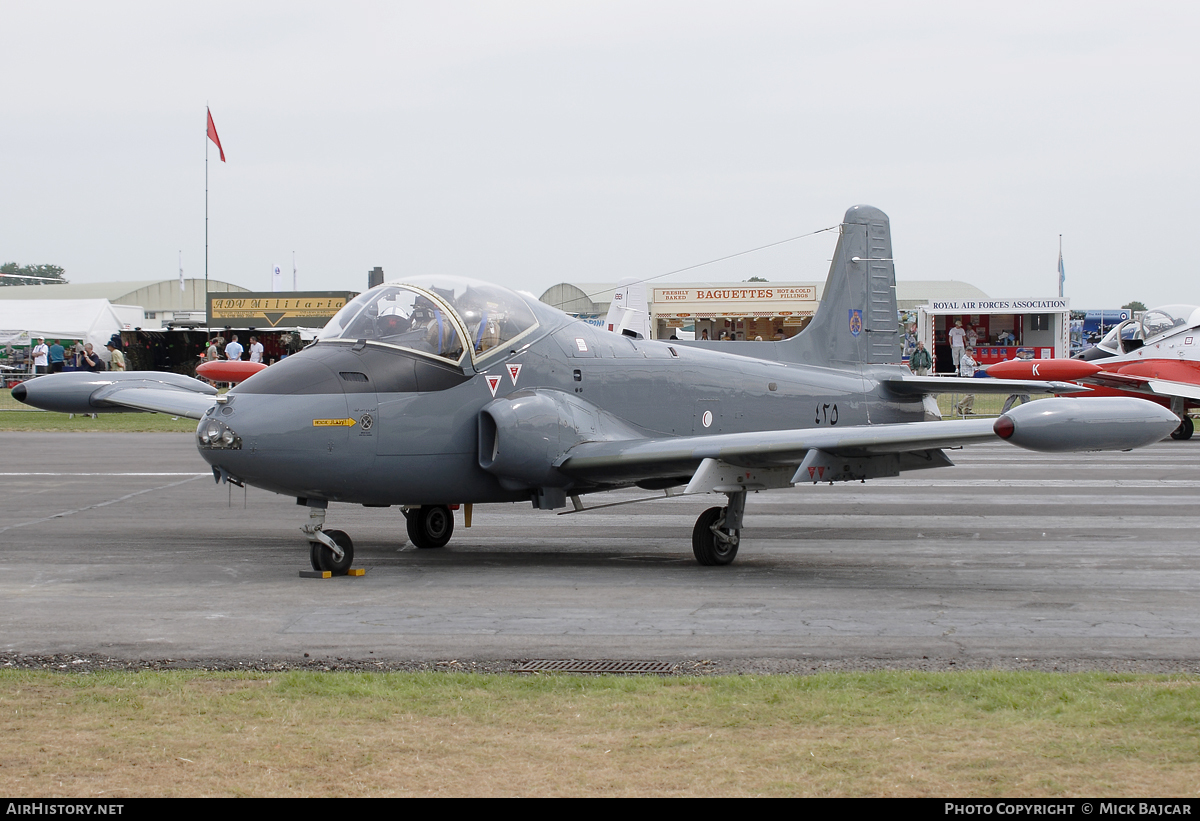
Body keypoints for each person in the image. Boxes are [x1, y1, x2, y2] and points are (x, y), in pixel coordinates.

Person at [955, 347, 979, 416]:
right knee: (970, 394)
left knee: (972, 395)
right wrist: (976, 363)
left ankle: (968, 410)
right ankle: (959, 405)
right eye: (968, 351)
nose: (969, 352)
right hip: (966, 377)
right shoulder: (965, 358)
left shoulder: (970, 358)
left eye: (970, 351)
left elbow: (975, 366)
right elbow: (974, 364)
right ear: (965, 351)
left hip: (970, 377)